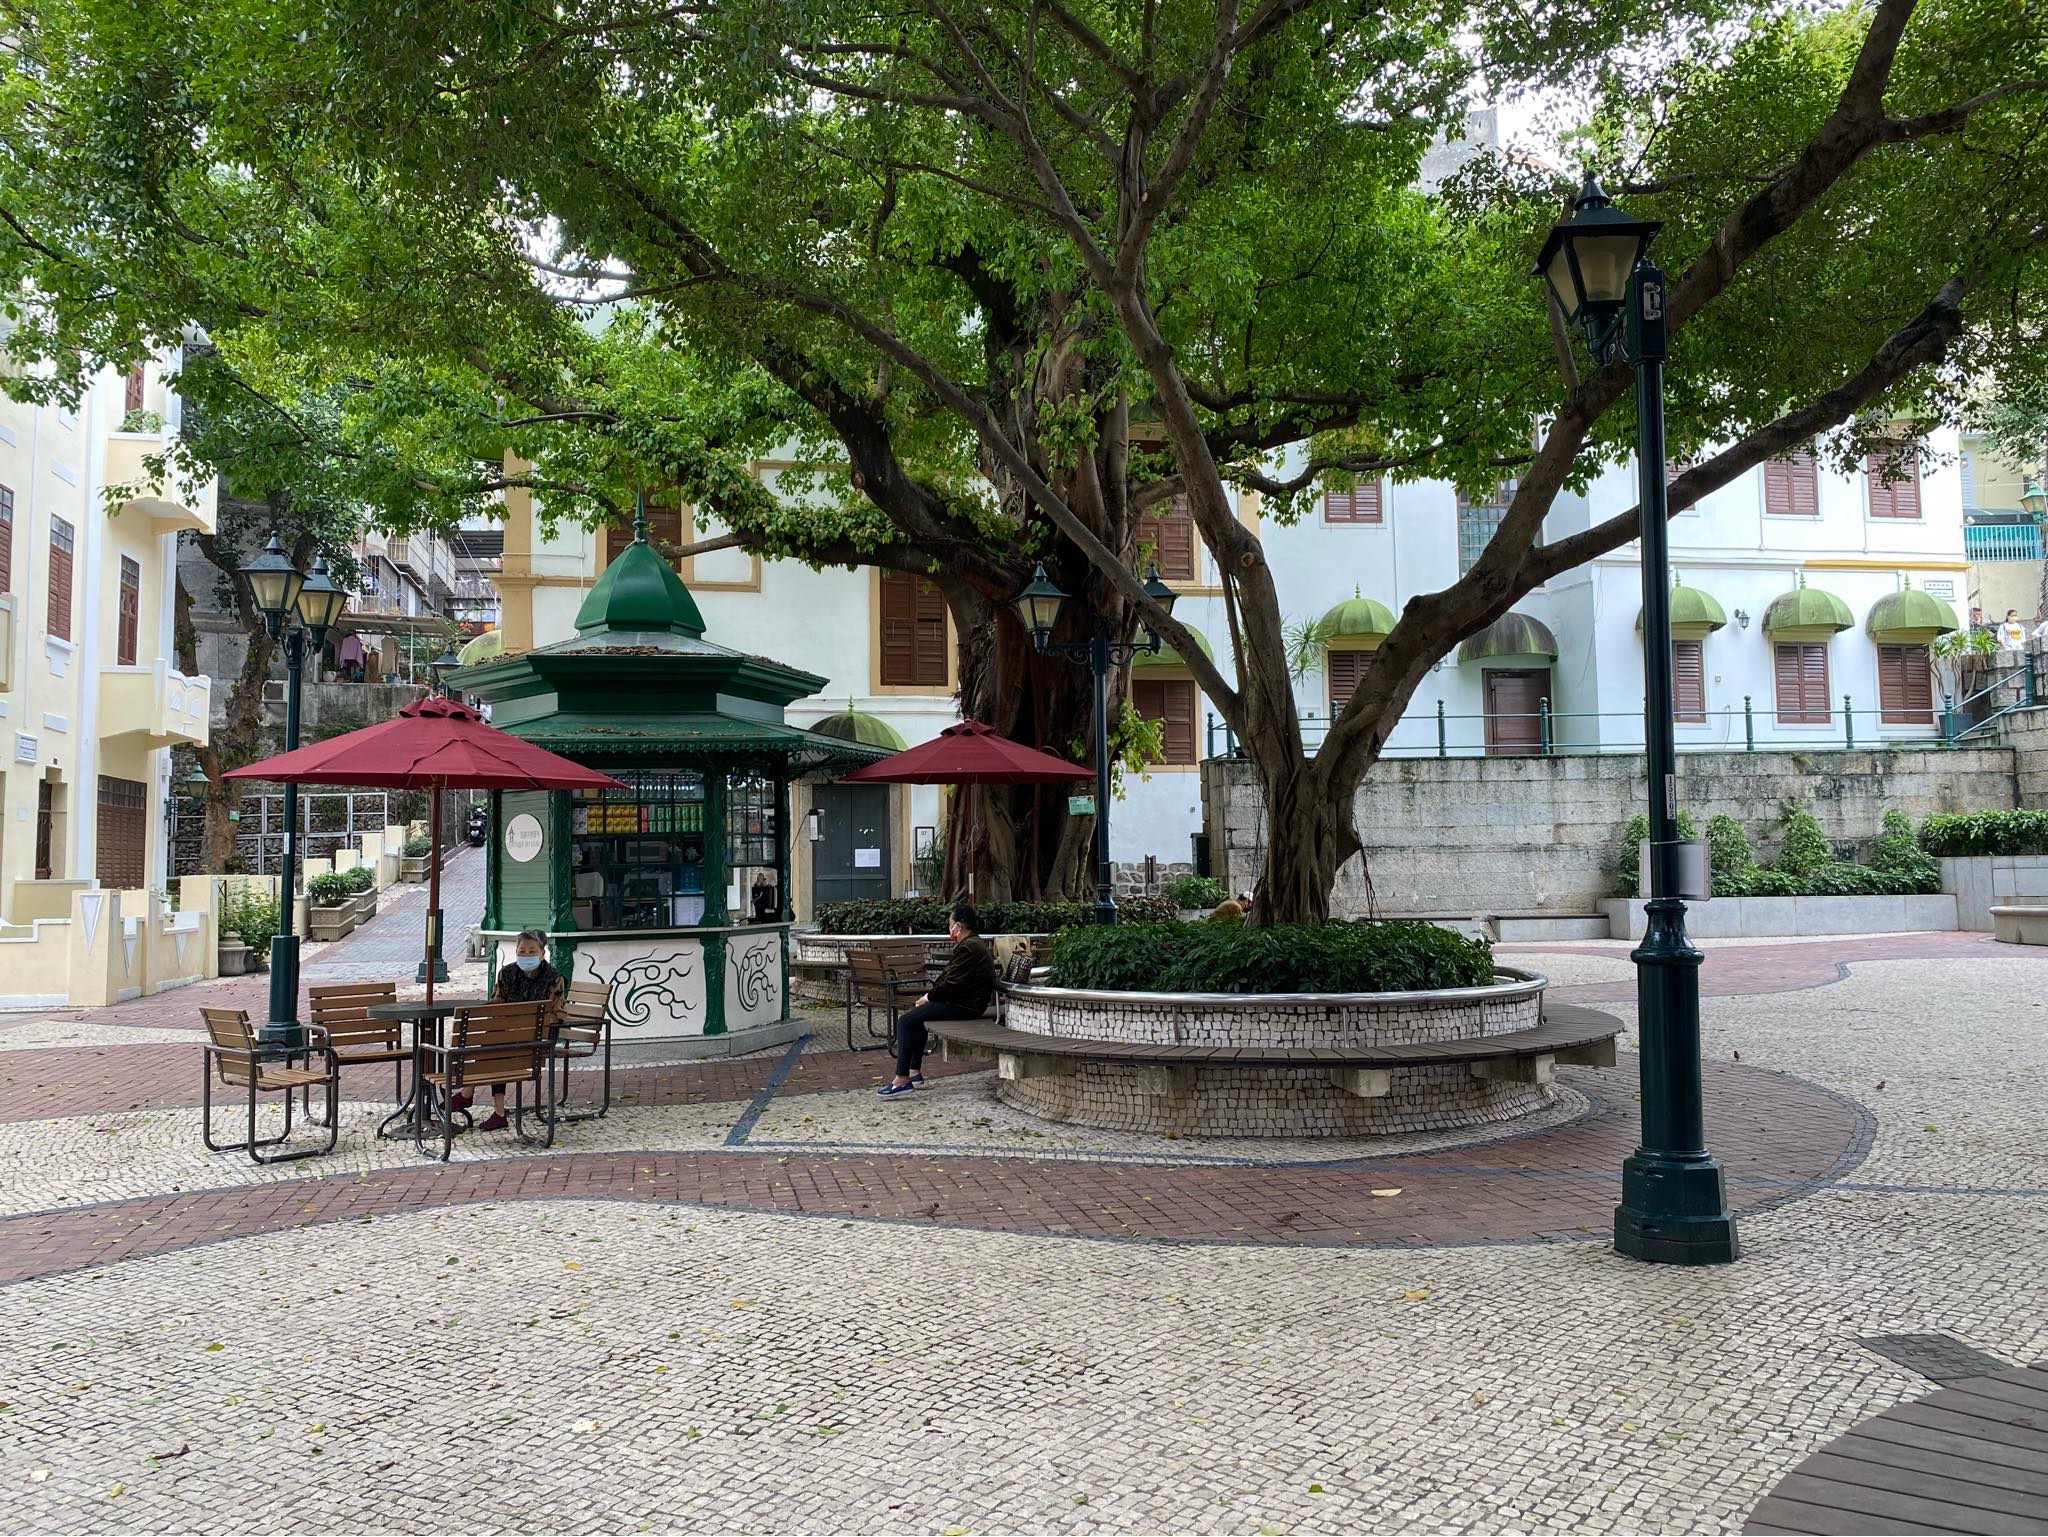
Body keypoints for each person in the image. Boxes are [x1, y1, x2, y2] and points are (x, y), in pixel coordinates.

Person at [877, 902, 994, 1098]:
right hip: (967, 1002)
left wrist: (928, 997)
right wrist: (929, 998)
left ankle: (901, 1079)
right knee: (918, 1019)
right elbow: (951, 979)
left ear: (960, 925)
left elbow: (953, 983)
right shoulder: (971, 944)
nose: (949, 928)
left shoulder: (969, 947)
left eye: (950, 923)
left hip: (965, 1006)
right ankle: (914, 1072)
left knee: (905, 1022)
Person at [454, 928, 565, 1131]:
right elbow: (497, 1006)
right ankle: (496, 1111)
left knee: (494, 1046)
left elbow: (557, 1014)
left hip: (539, 1040)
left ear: (542, 952)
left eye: (531, 951)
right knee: (495, 1045)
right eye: (521, 951)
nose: (526, 955)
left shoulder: (554, 978)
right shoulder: (507, 973)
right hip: (508, 1037)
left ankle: (468, 1094)